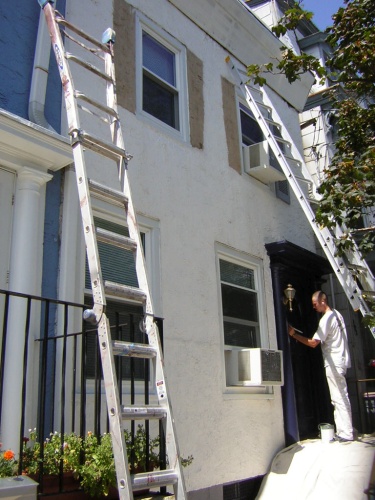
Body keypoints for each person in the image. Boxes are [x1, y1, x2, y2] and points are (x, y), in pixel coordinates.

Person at [288, 290, 354, 442]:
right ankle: (345, 430)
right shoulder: (338, 315)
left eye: (315, 304)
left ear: (323, 301)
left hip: (334, 362)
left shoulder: (326, 319)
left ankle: (346, 433)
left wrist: (293, 334)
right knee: (341, 396)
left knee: (338, 397)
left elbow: (313, 343)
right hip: (341, 360)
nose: (314, 307)